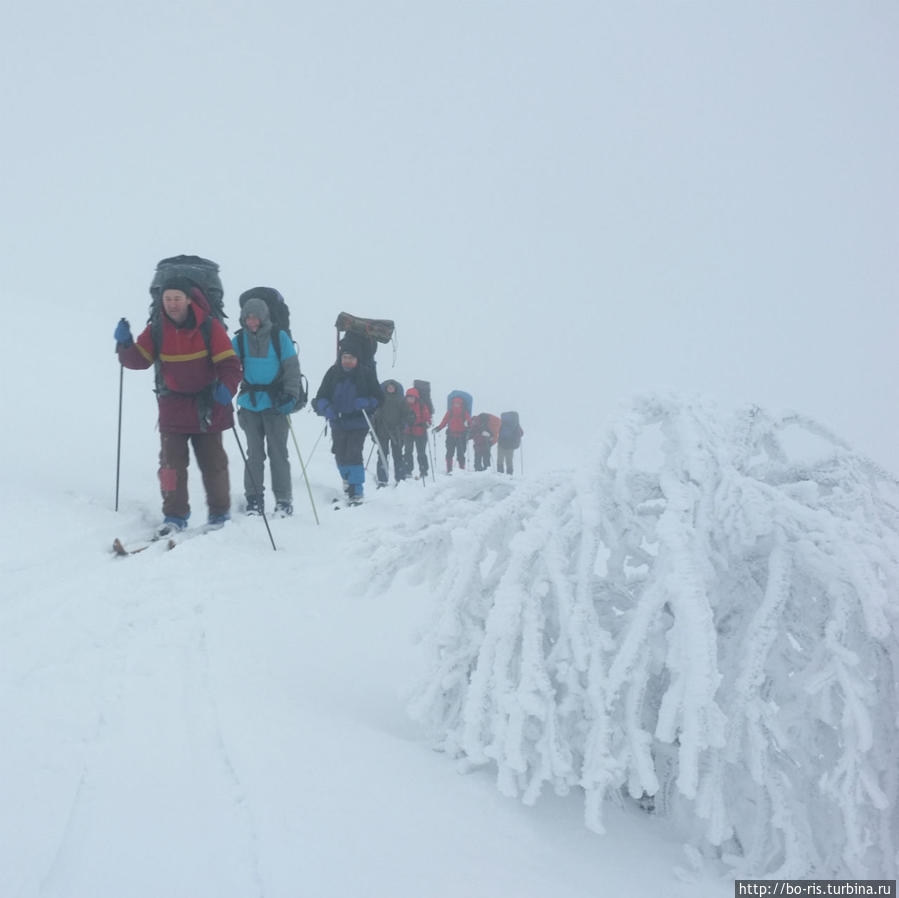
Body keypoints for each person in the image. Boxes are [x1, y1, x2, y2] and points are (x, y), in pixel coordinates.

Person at [114, 278, 242, 536]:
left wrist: (227, 388)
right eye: (168, 299)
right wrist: (125, 344)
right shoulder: (157, 330)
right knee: (170, 465)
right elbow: (139, 361)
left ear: (188, 300)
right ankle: (174, 516)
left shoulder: (210, 327)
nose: (172, 304)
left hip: (208, 404)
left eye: (177, 298)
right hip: (172, 405)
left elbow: (229, 365)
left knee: (213, 463)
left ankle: (220, 514)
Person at [232, 295, 303, 517]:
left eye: (255, 317)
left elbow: (292, 368)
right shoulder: (239, 340)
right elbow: (228, 367)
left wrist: (291, 395)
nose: (252, 322)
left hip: (276, 403)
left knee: (278, 453)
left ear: (264, 317)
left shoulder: (278, 337)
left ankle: (283, 500)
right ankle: (254, 500)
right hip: (249, 403)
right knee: (254, 454)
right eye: (248, 318)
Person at [312, 338, 382, 505]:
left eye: (351, 357)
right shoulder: (333, 373)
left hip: (359, 421)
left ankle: (356, 490)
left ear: (357, 359)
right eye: (345, 357)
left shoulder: (366, 373)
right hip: (338, 420)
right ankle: (347, 481)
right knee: (339, 454)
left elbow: (379, 398)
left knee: (353, 453)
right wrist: (326, 407)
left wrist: (367, 402)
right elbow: (321, 396)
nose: (347, 360)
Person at [372, 379, 413, 487]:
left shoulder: (401, 400)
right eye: (388, 387)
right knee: (382, 455)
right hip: (382, 432)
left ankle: (400, 479)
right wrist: (373, 431)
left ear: (396, 388)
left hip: (397, 433)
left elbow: (409, 415)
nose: (390, 388)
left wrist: (404, 424)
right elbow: (374, 417)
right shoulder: (379, 400)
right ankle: (382, 480)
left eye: (392, 387)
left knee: (398, 455)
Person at [434, 395, 472, 473]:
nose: (456, 405)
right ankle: (450, 470)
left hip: (460, 435)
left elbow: (469, 422)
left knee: (460, 454)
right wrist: (439, 428)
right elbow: (444, 421)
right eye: (455, 403)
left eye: (458, 403)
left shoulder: (464, 412)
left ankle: (461, 470)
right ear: (453, 403)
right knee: (450, 453)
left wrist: (468, 424)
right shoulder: (451, 411)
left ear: (461, 404)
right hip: (452, 435)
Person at [402, 386, 431, 479]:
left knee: (421, 452)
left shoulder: (422, 405)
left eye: (412, 397)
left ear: (416, 398)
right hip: (408, 432)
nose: (410, 399)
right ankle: (408, 470)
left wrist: (427, 423)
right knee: (408, 451)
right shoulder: (403, 406)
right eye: (408, 397)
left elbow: (427, 417)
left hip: (420, 432)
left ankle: (424, 471)